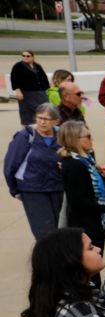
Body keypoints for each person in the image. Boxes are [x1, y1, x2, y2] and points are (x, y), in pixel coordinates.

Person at [58, 120, 105, 259]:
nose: (91, 139)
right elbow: (78, 200)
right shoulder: (75, 166)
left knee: (95, 259)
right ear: (75, 140)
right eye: (87, 136)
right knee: (90, 263)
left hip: (94, 221)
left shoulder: (86, 160)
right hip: (86, 224)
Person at [4, 102, 64, 240]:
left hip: (58, 188)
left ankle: (59, 258)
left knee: (60, 227)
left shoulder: (62, 135)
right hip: (33, 189)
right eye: (39, 118)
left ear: (56, 121)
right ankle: (47, 259)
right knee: (44, 230)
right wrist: (15, 190)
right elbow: (10, 165)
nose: (42, 122)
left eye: (47, 119)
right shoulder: (25, 136)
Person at [11, 49, 50, 125]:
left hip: (40, 92)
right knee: (26, 111)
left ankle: (42, 124)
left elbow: (43, 77)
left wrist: (47, 88)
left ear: (32, 57)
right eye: (23, 56)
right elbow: (14, 79)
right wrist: (18, 91)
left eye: (28, 56)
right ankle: (26, 129)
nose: (25, 57)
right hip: (26, 93)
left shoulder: (37, 66)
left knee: (45, 108)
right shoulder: (18, 66)